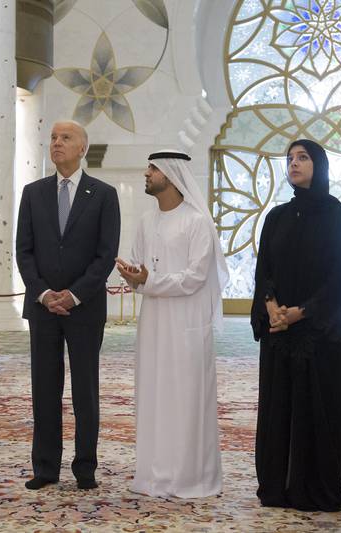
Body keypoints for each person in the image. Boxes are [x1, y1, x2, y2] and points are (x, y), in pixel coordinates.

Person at [251, 139, 341, 511]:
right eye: (290, 159)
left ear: (320, 165)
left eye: (303, 158)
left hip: (319, 333)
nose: (294, 164)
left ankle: (313, 486)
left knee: (316, 408)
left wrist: (303, 312)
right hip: (279, 331)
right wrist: (272, 308)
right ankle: (277, 486)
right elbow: (263, 270)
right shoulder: (277, 217)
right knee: (278, 407)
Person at [115, 150, 229, 498]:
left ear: (170, 174)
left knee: (186, 396)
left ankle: (190, 476)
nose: (146, 173)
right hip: (154, 322)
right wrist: (133, 276)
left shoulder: (197, 222)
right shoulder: (148, 221)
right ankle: (154, 473)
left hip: (187, 323)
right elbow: (140, 267)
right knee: (154, 393)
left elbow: (196, 277)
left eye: (153, 169)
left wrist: (151, 280)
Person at [16, 120, 121, 490]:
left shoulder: (104, 195)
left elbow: (106, 255)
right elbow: (24, 252)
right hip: (43, 309)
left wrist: (74, 295)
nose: (57, 143)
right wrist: (44, 294)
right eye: (53, 138)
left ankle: (85, 468)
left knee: (84, 391)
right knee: (44, 389)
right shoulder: (33, 193)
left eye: (66, 138)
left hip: (85, 309)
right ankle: (45, 469)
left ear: (82, 148)